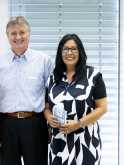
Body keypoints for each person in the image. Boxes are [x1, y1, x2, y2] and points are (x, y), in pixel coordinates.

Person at [0, 16, 52, 165]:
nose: (18, 37)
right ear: (7, 36)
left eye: (22, 32)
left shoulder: (44, 60)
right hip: (7, 125)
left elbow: (51, 96)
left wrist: (50, 126)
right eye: (13, 33)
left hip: (36, 124)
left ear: (29, 34)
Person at [44, 33, 108, 165]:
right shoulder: (53, 77)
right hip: (59, 142)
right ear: (60, 53)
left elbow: (102, 108)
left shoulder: (93, 76)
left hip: (86, 141)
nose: (69, 52)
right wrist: (48, 117)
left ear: (80, 51)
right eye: (65, 49)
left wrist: (78, 124)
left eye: (73, 49)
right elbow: (46, 107)